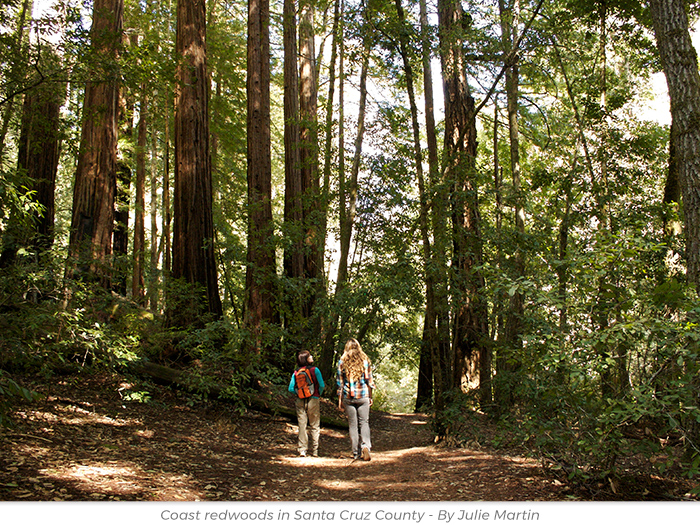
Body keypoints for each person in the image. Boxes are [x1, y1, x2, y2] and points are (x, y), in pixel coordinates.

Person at [336, 338, 376, 461]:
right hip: (363, 395)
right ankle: (366, 447)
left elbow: (340, 383)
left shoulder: (342, 362)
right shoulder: (365, 361)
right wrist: (370, 396)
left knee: (352, 425)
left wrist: (340, 400)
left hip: (348, 397)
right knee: (364, 422)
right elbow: (369, 381)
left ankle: (355, 452)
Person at [288, 350, 325, 457]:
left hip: (300, 400)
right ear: (306, 359)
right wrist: (318, 394)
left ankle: (302, 450)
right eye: (310, 356)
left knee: (302, 425)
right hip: (313, 399)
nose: (312, 356)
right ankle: (315, 450)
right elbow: (321, 385)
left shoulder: (296, 372)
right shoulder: (315, 370)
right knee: (314, 425)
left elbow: (291, 388)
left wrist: (299, 393)